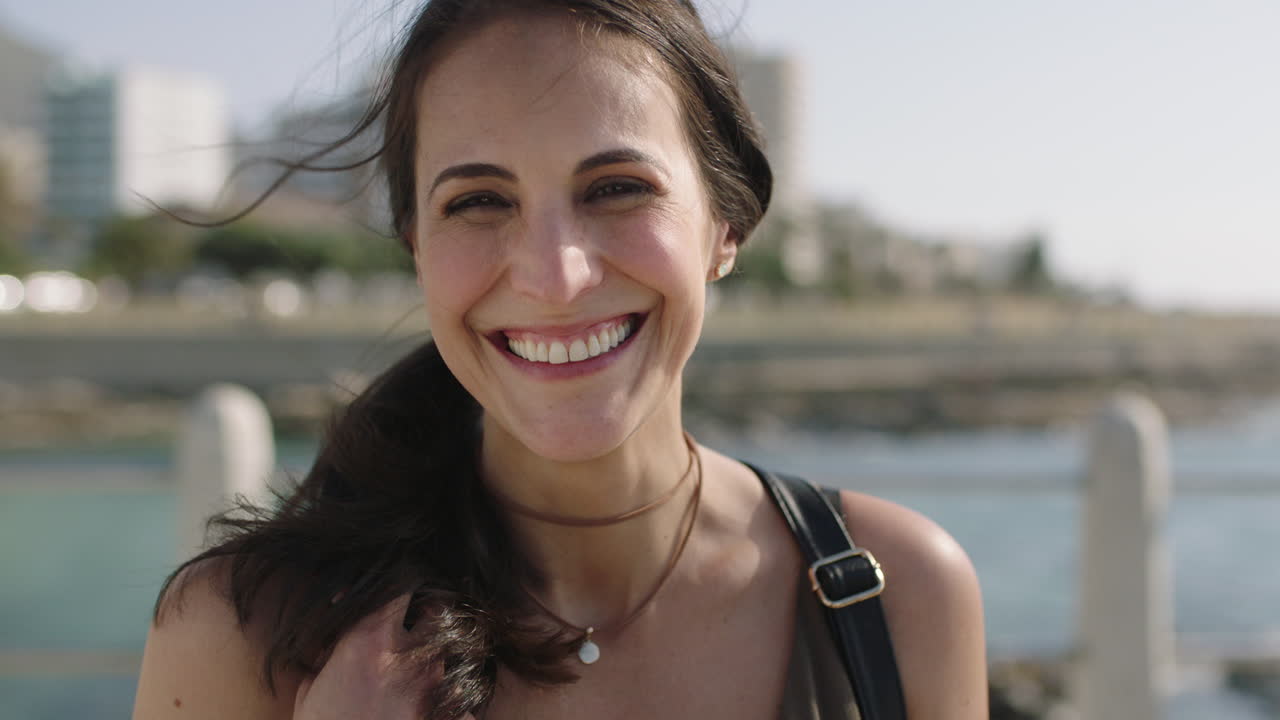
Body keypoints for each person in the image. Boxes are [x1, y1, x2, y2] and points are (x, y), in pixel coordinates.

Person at [132, 1, 986, 718]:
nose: (555, 277)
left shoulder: (899, 595)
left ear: (725, 225)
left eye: (616, 188)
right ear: (417, 248)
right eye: (478, 202)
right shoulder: (239, 638)